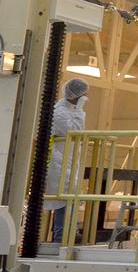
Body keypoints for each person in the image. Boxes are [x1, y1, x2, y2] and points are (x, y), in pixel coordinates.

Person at [45, 78, 89, 243]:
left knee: (68, 200)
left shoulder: (69, 110)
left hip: (68, 162)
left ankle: (65, 238)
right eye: (84, 95)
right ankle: (59, 239)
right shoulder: (60, 112)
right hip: (59, 164)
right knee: (62, 201)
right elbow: (75, 130)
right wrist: (80, 109)